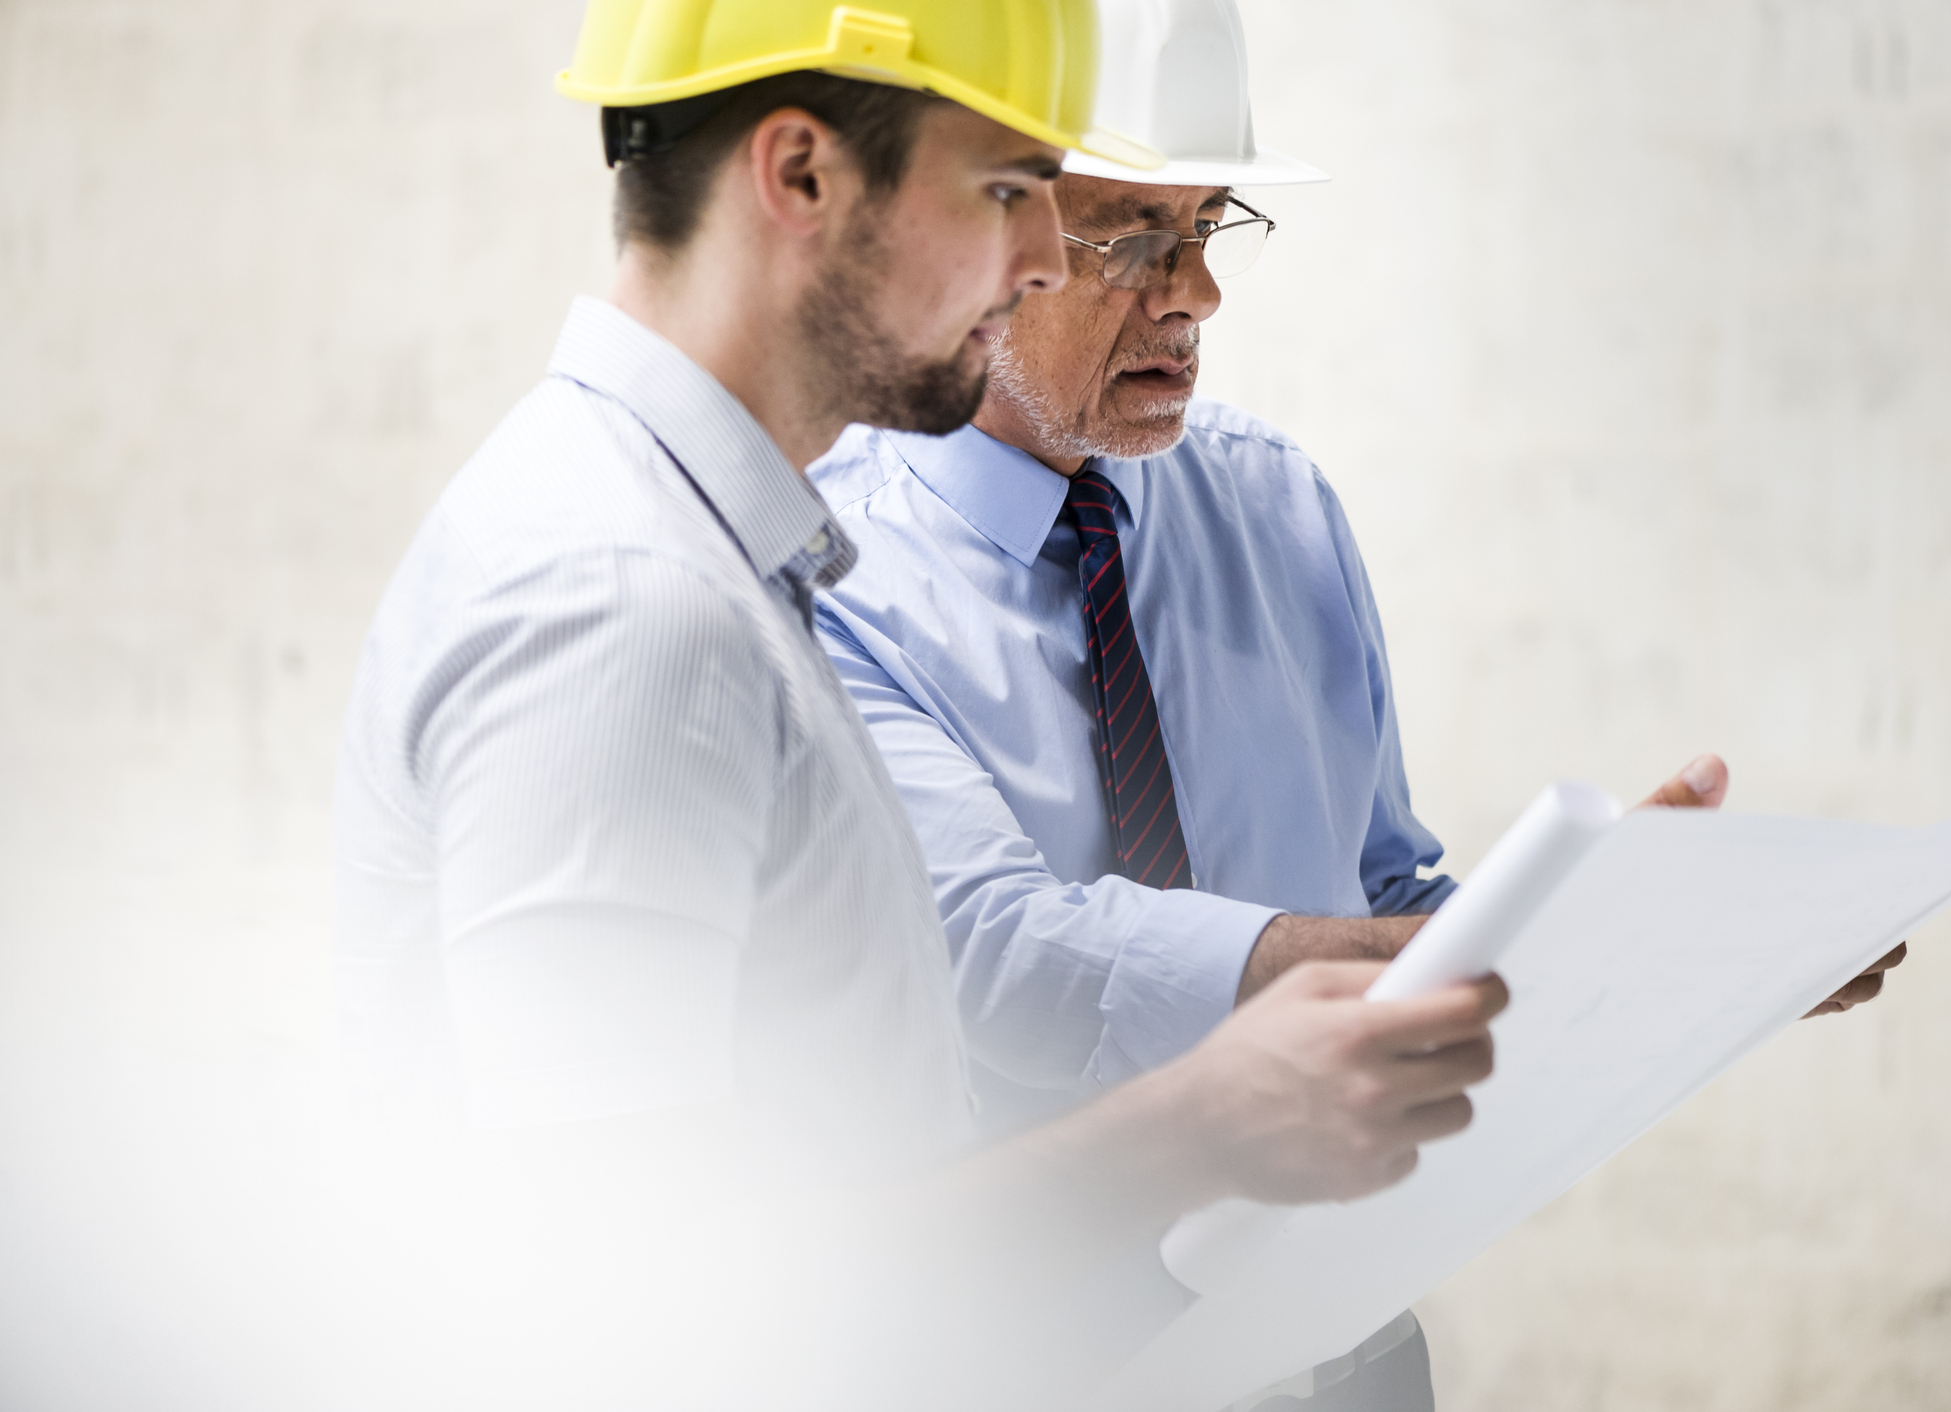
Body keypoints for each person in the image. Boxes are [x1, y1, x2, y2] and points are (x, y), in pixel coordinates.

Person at [331, 3, 1507, 1408]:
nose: (1030, 260)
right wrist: (1197, 1125)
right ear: (802, 178)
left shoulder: (712, 563)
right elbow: (624, 1293)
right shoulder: (620, 607)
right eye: (1012, 190)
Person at [807, 1, 1905, 1406]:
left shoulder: (1271, 503)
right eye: (1135, 235)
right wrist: (1534, 945)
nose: (1196, 294)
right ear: (976, 232)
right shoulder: (827, 582)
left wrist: (1661, 958)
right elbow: (1009, 958)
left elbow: (1391, 883)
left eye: (1210, 225)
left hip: (1349, 1348)